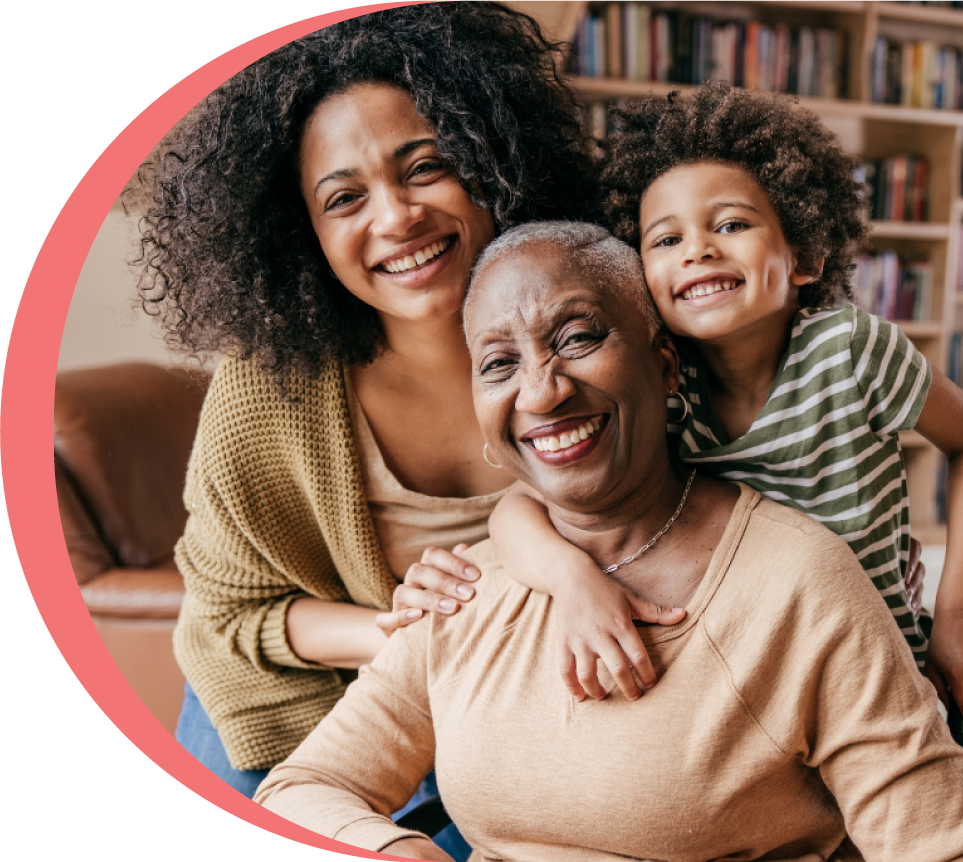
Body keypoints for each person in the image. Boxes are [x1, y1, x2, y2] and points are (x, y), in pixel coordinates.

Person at [254, 222, 963, 861]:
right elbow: (304, 787)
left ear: (663, 366)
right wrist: (395, 849)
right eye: (498, 364)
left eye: (576, 338)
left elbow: (932, 842)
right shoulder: (464, 586)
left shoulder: (798, 581)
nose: (540, 392)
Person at [129, 3, 608, 851]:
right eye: (344, 198)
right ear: (302, 234)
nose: (395, 219)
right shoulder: (267, 393)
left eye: (426, 167)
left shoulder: (605, 331)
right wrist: (394, 629)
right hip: (300, 707)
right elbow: (233, 616)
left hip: (506, 708)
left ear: (497, 164)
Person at [487, 83, 963, 742]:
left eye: (731, 224)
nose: (697, 250)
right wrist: (571, 580)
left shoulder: (849, 349)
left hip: (878, 679)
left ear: (802, 256)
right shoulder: (655, 386)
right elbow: (518, 505)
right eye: (665, 238)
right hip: (734, 689)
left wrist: (954, 616)